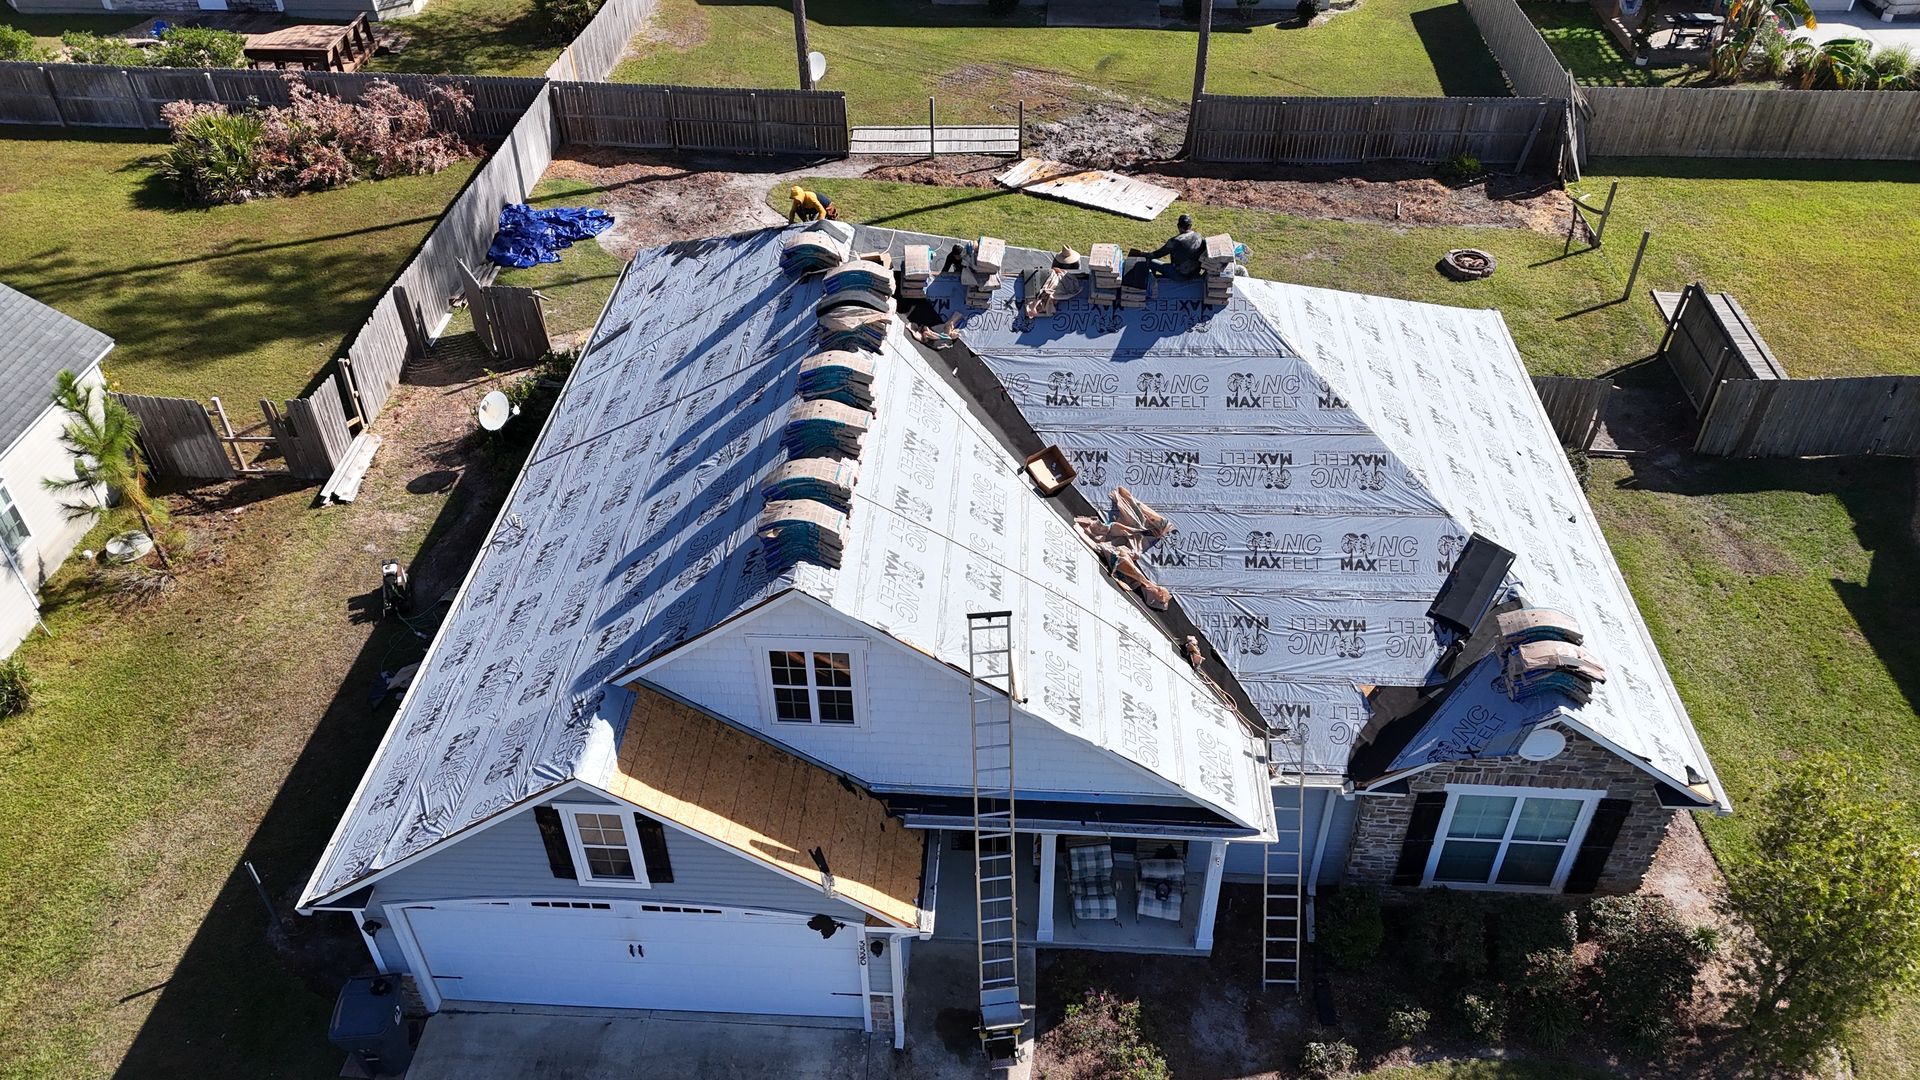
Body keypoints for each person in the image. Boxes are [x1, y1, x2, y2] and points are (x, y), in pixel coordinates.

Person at [1130, 213, 1203, 278]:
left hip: (1180, 275)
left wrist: (1142, 254)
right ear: (1190, 225)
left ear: (1178, 226)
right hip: (1194, 273)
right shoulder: (1199, 236)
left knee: (1150, 261)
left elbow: (1156, 254)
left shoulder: (1175, 241)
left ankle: (1153, 282)